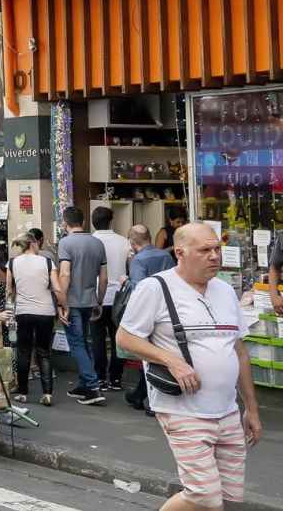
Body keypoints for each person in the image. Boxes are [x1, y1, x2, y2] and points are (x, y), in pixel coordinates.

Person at [117, 224, 262, 511]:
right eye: (205, 250)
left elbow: (240, 352)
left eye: (217, 249)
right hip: (183, 410)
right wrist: (171, 360)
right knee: (203, 495)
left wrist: (252, 408)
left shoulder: (224, 290)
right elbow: (125, 338)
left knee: (230, 499)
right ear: (180, 253)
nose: (214, 256)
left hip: (228, 410)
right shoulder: (155, 288)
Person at [55, 206, 109, 406]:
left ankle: (93, 386)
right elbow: (103, 278)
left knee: (77, 343)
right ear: (83, 222)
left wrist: (62, 302)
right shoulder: (97, 243)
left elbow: (65, 274)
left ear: (65, 223)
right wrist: (100, 300)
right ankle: (85, 384)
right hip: (90, 300)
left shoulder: (65, 243)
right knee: (84, 342)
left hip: (73, 301)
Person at [125, 223, 176, 414]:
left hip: (149, 312)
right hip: (168, 309)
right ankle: (139, 394)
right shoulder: (164, 255)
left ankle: (151, 400)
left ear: (132, 242)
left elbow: (138, 289)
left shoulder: (138, 260)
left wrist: (125, 281)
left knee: (147, 355)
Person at [7, 233, 57, 406]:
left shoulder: (12, 263)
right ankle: (47, 393)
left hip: (23, 311)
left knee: (23, 351)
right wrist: (63, 306)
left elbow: (9, 291)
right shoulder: (47, 262)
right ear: (34, 243)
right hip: (46, 312)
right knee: (44, 352)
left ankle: (22, 392)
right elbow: (56, 287)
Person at [90, 205, 131, 392]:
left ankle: (99, 378)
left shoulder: (91, 242)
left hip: (97, 295)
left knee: (97, 339)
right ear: (111, 220)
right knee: (118, 339)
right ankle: (116, 378)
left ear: (92, 221)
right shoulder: (124, 241)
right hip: (119, 297)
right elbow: (130, 267)